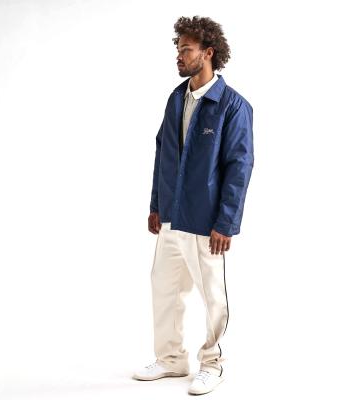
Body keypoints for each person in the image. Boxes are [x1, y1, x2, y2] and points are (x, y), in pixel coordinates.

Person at [133, 15, 254, 395]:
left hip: (206, 221)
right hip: (171, 216)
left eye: (186, 49)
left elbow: (239, 166)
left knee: (213, 297)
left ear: (208, 52)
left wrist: (226, 222)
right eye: (178, 48)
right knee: (164, 289)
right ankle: (171, 359)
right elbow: (163, 152)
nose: (179, 55)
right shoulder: (176, 98)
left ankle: (213, 364)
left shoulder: (232, 106)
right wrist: (156, 204)